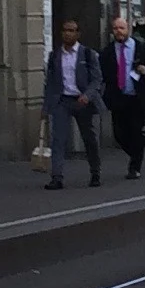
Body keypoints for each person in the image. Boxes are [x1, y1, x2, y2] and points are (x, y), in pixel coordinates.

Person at [99, 15, 145, 179]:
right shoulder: (108, 52)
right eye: (115, 28)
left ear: (128, 30)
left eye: (122, 28)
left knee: (135, 131)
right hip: (118, 97)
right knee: (119, 134)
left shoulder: (141, 48)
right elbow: (103, 73)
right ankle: (135, 152)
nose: (119, 32)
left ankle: (135, 165)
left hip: (136, 97)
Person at [42, 19, 103, 190]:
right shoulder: (55, 55)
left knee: (89, 138)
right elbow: (51, 83)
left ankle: (95, 172)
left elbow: (97, 79)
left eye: (72, 30)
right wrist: (46, 107)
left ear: (78, 34)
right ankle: (57, 177)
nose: (68, 33)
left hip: (82, 101)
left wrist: (87, 95)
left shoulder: (87, 54)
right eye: (65, 30)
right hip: (62, 100)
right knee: (58, 139)